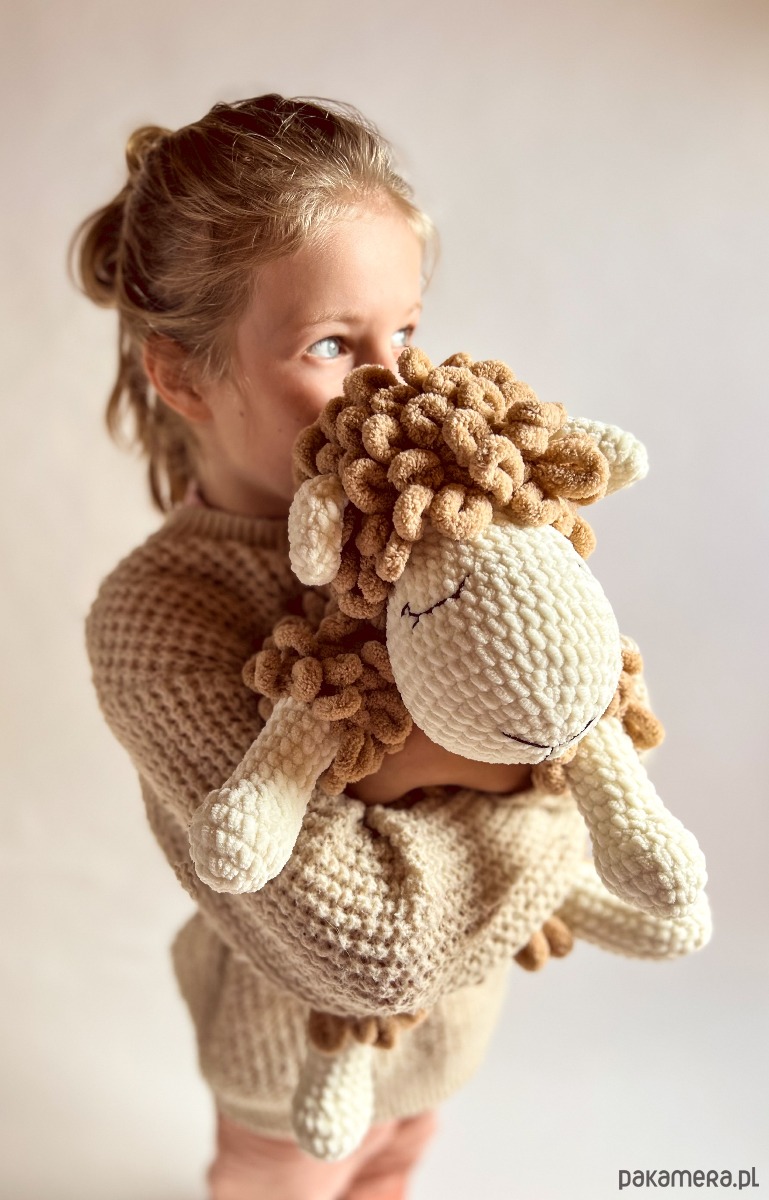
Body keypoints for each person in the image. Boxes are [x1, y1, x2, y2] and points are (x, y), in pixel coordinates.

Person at [77, 94, 581, 1200]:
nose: (395, 385)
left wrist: (420, 771)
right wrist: (540, 796)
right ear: (183, 376)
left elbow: (581, 697)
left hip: (446, 1052)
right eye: (331, 344)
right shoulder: (161, 615)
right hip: (285, 1086)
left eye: (406, 332)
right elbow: (366, 948)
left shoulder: (437, 538)